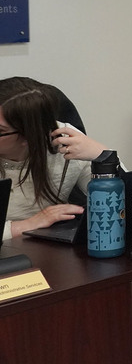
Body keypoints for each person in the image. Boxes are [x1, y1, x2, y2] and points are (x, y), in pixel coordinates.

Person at [1, 76, 113, 241]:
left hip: (47, 249)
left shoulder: (63, 138)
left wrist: (101, 154)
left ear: (29, 136)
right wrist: (26, 225)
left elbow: (121, 204)